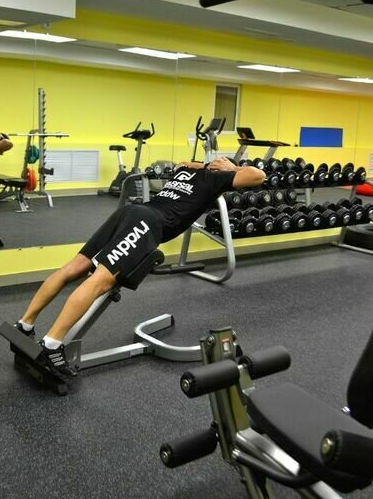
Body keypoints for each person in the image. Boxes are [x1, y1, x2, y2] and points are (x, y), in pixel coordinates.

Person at [15, 157, 265, 379]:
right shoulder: (217, 177)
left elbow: (182, 163)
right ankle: (52, 345)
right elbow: (258, 175)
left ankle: (25, 325)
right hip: (149, 222)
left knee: (74, 267)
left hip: (131, 211)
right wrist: (232, 168)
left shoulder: (188, 170)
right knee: (101, 280)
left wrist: (206, 164)